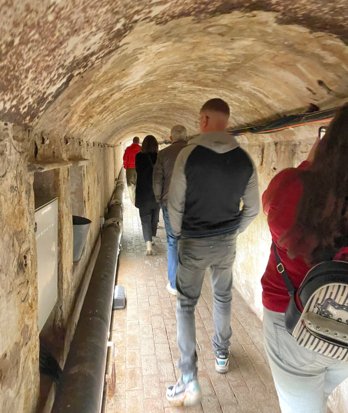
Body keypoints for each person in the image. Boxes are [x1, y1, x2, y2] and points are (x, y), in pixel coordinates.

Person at [166, 98, 260, 406]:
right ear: (227, 121)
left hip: (192, 241)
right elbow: (253, 208)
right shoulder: (244, 160)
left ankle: (188, 378)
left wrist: (178, 236)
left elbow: (176, 204)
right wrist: (234, 230)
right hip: (225, 243)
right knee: (223, 298)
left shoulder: (189, 156)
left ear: (204, 119)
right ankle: (221, 355)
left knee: (186, 306)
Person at [261, 103, 348, 413]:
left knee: (301, 402)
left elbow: (271, 212)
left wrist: (314, 165)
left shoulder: (291, 186)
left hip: (291, 319)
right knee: (318, 392)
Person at [153, 124, 187, 296]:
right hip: (192, 204)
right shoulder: (195, 153)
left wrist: (159, 198)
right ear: (186, 137)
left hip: (170, 202)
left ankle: (174, 284)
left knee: (173, 241)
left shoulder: (163, 154)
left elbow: (158, 180)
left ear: (171, 137)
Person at [135, 135, 160, 256]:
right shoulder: (159, 157)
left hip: (143, 193)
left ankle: (148, 246)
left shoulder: (139, 157)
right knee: (155, 218)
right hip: (156, 193)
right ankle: (153, 238)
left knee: (145, 219)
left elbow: (137, 172)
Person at [123, 136, 141, 204]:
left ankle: (133, 201)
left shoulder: (128, 149)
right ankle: (139, 198)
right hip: (139, 169)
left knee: (130, 185)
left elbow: (124, 158)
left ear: (133, 141)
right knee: (138, 183)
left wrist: (125, 166)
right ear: (138, 142)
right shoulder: (141, 149)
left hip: (129, 169)